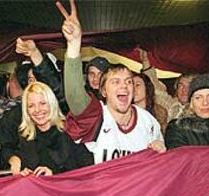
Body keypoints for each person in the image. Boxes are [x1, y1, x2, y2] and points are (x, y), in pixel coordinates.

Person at [57, 0, 165, 165]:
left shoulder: (148, 121)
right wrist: (73, 44)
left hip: (140, 190)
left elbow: (162, 157)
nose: (124, 86)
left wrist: (161, 148)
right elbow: (75, 97)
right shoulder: (98, 116)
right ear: (104, 91)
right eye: (115, 82)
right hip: (107, 189)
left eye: (128, 82)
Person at [0, 81, 93, 176]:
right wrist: (13, 159)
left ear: (52, 104)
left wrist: (54, 176)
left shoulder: (70, 132)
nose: (37, 110)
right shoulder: (22, 135)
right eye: (31, 106)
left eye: (42, 103)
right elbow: (6, 150)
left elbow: (85, 172)